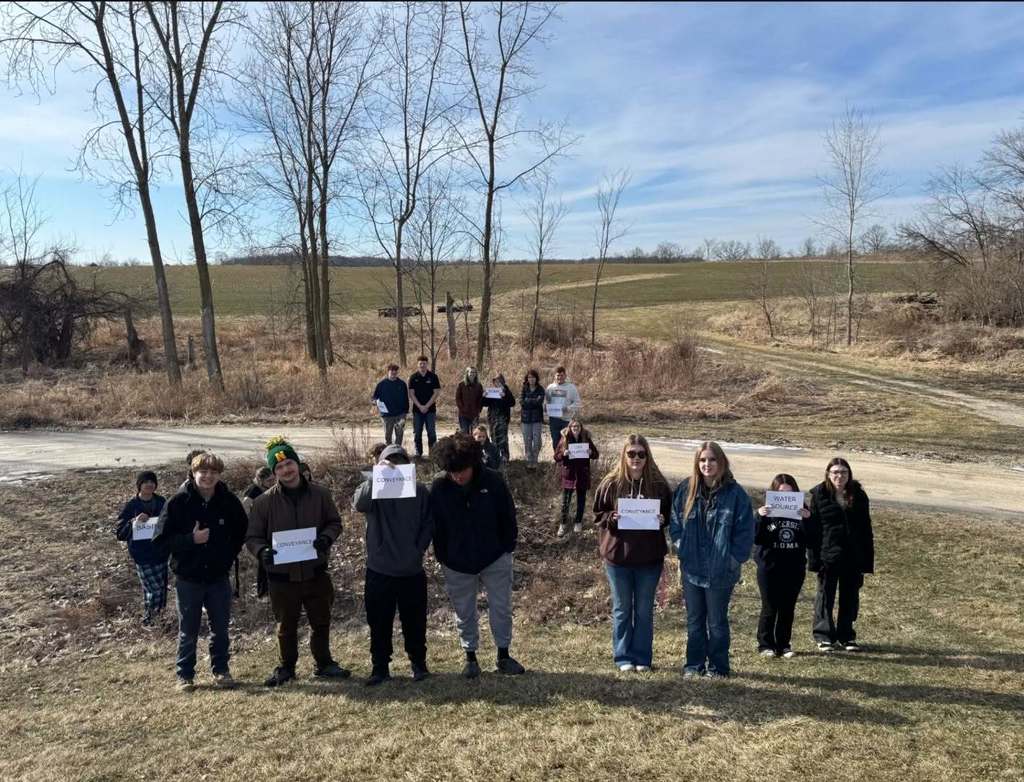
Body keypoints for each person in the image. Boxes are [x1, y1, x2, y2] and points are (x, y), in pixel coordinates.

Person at [247, 438, 351, 687]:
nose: (286, 470)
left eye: (289, 463)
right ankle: (286, 667)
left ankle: (324, 663)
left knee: (321, 621)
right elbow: (252, 536)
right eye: (279, 467)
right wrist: (262, 552)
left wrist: (326, 539)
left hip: (315, 572)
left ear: (298, 464)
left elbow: (334, 523)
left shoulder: (321, 494)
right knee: (286, 625)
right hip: (281, 577)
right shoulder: (263, 502)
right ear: (274, 473)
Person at [429, 432, 525, 678]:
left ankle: (503, 655)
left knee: (501, 608)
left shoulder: (493, 481)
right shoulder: (439, 487)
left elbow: (508, 516)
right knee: (464, 611)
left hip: (495, 557)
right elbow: (435, 524)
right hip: (456, 562)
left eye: (462, 470)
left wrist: (507, 547)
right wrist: (443, 554)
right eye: (452, 471)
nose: (458, 476)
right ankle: (470, 657)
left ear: (473, 463)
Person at [152, 453, 248, 691]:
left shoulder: (228, 501)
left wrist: (225, 556)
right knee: (189, 629)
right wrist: (190, 539)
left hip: (218, 577)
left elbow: (241, 532)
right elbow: (160, 542)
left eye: (213, 472)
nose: (208, 476)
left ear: (219, 475)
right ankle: (185, 675)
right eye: (203, 472)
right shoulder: (177, 503)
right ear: (193, 473)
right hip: (188, 578)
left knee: (221, 628)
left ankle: (221, 671)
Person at [670, 441, 755, 679]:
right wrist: (681, 546)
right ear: (697, 463)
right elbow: (675, 523)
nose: (707, 464)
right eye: (703, 460)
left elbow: (745, 532)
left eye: (712, 459)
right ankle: (694, 665)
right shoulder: (686, 490)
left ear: (721, 462)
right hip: (692, 568)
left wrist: (731, 560)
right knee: (695, 620)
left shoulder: (735, 494)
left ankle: (718, 667)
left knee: (717, 622)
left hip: (721, 571)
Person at [352, 444, 433, 686]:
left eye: (400, 462)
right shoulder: (374, 490)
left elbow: (429, 523)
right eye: (390, 462)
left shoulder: (418, 490)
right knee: (379, 621)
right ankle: (380, 667)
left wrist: (418, 549)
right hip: (379, 569)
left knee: (415, 620)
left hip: (411, 570)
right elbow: (359, 504)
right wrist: (378, 473)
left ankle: (418, 663)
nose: (395, 466)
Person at [592, 434, 672, 672]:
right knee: (622, 608)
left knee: (644, 610)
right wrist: (611, 518)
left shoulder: (658, 485)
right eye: (631, 454)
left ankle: (643, 658)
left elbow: (669, 516)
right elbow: (598, 515)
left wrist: (662, 519)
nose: (636, 458)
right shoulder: (610, 484)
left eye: (641, 454)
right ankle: (623, 656)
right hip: (618, 559)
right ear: (624, 455)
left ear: (647, 457)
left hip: (649, 558)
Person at [806, 457, 874, 652]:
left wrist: (866, 560)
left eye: (843, 472)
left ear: (849, 475)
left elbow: (865, 529)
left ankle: (846, 636)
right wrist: (814, 559)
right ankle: (824, 636)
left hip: (852, 554)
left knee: (850, 597)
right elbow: (814, 529)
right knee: (825, 596)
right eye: (835, 472)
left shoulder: (859, 495)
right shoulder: (819, 494)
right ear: (828, 474)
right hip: (828, 554)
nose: (839, 476)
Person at [754, 473, 810, 658]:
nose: (785, 496)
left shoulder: (803, 511)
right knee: (769, 606)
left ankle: (784, 644)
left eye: (790, 492)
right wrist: (760, 517)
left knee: (788, 607)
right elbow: (757, 538)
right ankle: (765, 644)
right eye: (781, 493)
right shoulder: (766, 511)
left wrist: (808, 519)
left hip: (794, 566)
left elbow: (812, 539)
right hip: (769, 565)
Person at [115, 470, 169, 626]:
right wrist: (134, 522)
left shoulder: (161, 502)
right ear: (139, 485)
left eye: (152, 482)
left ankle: (159, 619)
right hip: (142, 555)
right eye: (146, 482)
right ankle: (151, 620)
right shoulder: (132, 505)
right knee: (154, 590)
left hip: (160, 552)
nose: (150, 485)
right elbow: (120, 533)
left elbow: (169, 523)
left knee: (162, 589)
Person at [553, 417, 599, 537]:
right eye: (573, 426)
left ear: (581, 428)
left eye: (577, 426)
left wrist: (591, 453)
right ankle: (563, 524)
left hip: (582, 473)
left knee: (581, 499)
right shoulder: (564, 439)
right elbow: (556, 456)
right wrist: (563, 454)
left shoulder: (586, 439)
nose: (575, 429)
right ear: (570, 427)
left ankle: (578, 522)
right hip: (569, 474)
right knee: (565, 501)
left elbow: (596, 454)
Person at [408, 355, 441, 458]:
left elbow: (436, 393)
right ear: (418, 365)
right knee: (417, 432)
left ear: (427, 364)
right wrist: (420, 406)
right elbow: (411, 394)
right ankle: (418, 453)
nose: (422, 365)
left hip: (430, 410)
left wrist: (426, 406)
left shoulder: (433, 377)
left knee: (431, 432)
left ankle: (433, 453)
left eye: (424, 364)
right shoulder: (413, 377)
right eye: (420, 364)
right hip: (417, 411)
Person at [544, 366, 581, 454]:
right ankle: (557, 462)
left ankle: (566, 463)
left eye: (561, 375)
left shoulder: (571, 387)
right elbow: (546, 401)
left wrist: (567, 408)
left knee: (566, 442)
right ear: (554, 376)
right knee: (556, 442)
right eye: (558, 375)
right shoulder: (550, 388)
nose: (559, 377)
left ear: (565, 376)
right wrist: (545, 408)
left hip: (566, 420)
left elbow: (578, 403)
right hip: (554, 420)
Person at [481, 373, 516, 464]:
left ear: (502, 381)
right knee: (494, 438)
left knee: (503, 440)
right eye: (495, 381)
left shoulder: (506, 390)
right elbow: (484, 403)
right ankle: (495, 458)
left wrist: (504, 396)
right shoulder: (491, 391)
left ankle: (505, 458)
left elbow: (512, 403)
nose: (497, 383)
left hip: (503, 419)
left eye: (499, 381)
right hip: (492, 418)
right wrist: (484, 396)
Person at [372, 363, 410, 446]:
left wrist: (405, 413)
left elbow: (406, 398)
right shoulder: (381, 384)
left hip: (400, 414)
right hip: (386, 415)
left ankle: (398, 451)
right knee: (388, 436)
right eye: (391, 371)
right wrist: (374, 403)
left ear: (397, 372)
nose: (393, 373)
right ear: (388, 372)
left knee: (399, 435)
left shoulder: (402, 384)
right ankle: (389, 452)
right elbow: (375, 397)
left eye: (395, 371)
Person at [520, 369, 545, 467]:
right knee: (527, 439)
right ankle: (529, 460)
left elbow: (539, 402)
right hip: (525, 419)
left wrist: (528, 400)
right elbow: (522, 402)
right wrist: (533, 400)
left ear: (536, 378)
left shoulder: (540, 389)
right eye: (529, 377)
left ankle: (535, 459)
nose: (531, 379)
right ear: (527, 378)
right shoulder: (524, 388)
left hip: (537, 419)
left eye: (533, 377)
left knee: (537, 440)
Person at [455, 367, 484, 434]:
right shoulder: (461, 385)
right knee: (465, 433)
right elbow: (458, 398)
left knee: (475, 433)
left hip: (474, 414)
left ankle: (473, 445)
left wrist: (479, 410)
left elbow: (481, 399)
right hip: (463, 414)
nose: (472, 374)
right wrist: (462, 408)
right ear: (467, 373)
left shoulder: (479, 386)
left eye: (474, 372)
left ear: (476, 374)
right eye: (471, 372)